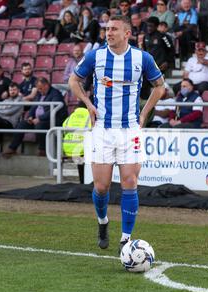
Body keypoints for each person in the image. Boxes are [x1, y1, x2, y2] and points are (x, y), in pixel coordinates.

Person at [68, 15, 165, 252]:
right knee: (101, 187)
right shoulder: (96, 56)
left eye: (114, 29)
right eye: (107, 29)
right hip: (102, 129)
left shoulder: (142, 58)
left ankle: (125, 239)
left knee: (129, 182)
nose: (108, 33)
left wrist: (144, 114)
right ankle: (103, 223)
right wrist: (87, 103)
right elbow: (74, 80)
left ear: (127, 34)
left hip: (130, 129)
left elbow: (160, 86)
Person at [3, 77, 67, 157]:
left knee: (40, 125)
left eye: (40, 88)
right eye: (38, 89)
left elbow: (54, 110)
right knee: (22, 124)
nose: (39, 90)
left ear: (46, 85)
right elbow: (34, 107)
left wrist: (40, 118)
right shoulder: (40, 94)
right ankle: (12, 148)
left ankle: (42, 150)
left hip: (53, 120)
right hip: (38, 119)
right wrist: (30, 116)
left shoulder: (55, 93)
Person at [0, 82, 24, 157]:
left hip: (10, 124)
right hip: (0, 121)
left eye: (14, 90)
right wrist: (2, 112)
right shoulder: (6, 100)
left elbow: (9, 111)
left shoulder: (20, 101)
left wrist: (1, 112)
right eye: (10, 90)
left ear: (18, 90)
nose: (12, 91)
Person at [62, 106, 92, 184]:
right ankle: (86, 181)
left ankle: (82, 181)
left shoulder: (71, 116)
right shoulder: (89, 116)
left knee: (80, 159)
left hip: (68, 148)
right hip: (82, 149)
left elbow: (63, 127)